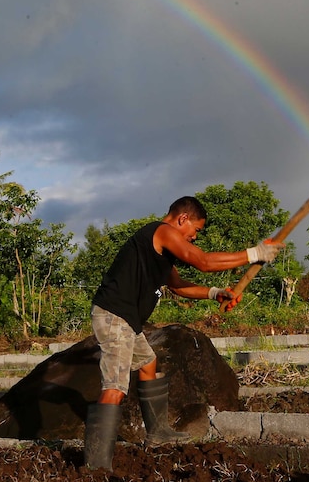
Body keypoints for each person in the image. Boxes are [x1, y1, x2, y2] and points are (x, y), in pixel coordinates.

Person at [84, 195, 284, 470]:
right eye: (196, 230)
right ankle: (95, 466)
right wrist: (254, 254)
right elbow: (201, 261)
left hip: (127, 320)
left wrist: (214, 293)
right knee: (116, 388)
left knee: (148, 363)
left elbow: (177, 286)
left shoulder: (161, 253)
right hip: (115, 317)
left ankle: (157, 433)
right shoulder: (162, 231)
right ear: (182, 219)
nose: (194, 237)